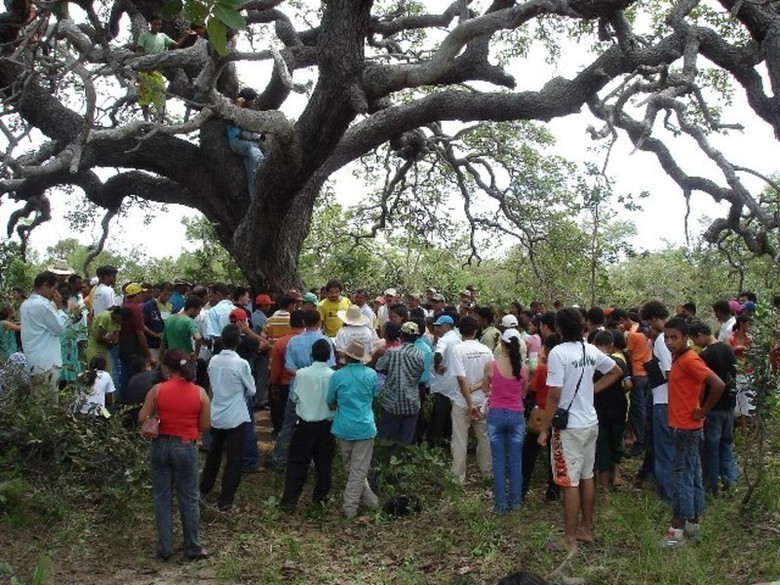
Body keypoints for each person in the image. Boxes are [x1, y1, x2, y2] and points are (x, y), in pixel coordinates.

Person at [536, 308, 621, 552]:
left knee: (569, 482)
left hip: (569, 428)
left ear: (559, 328)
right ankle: (586, 529)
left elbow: (554, 394)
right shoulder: (589, 348)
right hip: (589, 423)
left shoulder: (558, 354)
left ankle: (569, 538)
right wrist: (591, 391)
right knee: (586, 476)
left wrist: (544, 429)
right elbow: (616, 371)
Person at [138, 349, 210, 561]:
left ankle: (165, 548)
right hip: (186, 445)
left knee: (162, 498)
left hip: (160, 445)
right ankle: (193, 547)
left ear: (166, 367)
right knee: (189, 498)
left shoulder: (157, 390)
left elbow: (142, 417)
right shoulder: (199, 393)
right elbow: (205, 424)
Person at [661, 317, 725, 549]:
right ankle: (692, 523)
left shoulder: (689, 359)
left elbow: (717, 384)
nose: (669, 342)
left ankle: (676, 529)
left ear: (686, 338)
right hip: (681, 425)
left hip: (687, 428)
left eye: (674, 337)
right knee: (692, 475)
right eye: (666, 337)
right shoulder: (678, 358)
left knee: (681, 477)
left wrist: (703, 410)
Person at [201, 324, 256, 511]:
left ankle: (205, 487)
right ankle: (226, 498)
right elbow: (252, 389)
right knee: (234, 458)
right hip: (235, 415)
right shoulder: (241, 363)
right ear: (238, 342)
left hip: (217, 412)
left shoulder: (214, 361)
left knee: (214, 453)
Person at [279, 338, 336, 510]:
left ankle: (289, 501)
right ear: (329, 356)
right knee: (324, 465)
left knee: (297, 463)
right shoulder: (334, 376)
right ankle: (319, 500)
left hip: (305, 424)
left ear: (312, 355)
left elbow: (294, 397)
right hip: (327, 426)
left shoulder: (301, 374)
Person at [326, 340, 380, 518]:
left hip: (343, 426)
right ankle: (359, 505)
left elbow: (330, 401)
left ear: (347, 357)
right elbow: (373, 396)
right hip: (364, 426)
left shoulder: (338, 375)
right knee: (358, 469)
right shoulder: (371, 374)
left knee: (351, 468)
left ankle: (353, 506)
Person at [689, 320, 739, 495]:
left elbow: (703, 386)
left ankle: (711, 487)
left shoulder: (705, 356)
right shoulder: (728, 349)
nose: (695, 344)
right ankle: (731, 482)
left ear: (700, 335)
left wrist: (701, 408)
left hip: (714, 407)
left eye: (694, 340)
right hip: (729, 405)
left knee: (710, 448)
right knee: (726, 444)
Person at [482, 328, 529, 514]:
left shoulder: (491, 365)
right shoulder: (524, 369)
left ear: (502, 344)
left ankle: (500, 504)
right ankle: (516, 502)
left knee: (499, 460)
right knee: (516, 460)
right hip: (517, 416)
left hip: (496, 416)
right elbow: (524, 393)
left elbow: (485, 388)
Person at [450, 315, 494, 485]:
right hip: (483, 400)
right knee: (484, 437)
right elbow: (489, 377)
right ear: (476, 331)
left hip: (462, 402)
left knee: (460, 439)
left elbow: (461, 379)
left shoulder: (458, 350)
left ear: (460, 331)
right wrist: (475, 389)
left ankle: (458, 478)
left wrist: (469, 404)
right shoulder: (486, 350)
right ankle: (487, 473)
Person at [20, 271, 74, 401]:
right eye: (53, 288)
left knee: (38, 402)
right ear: (45, 285)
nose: (54, 293)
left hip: (33, 360)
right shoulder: (42, 305)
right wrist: (60, 307)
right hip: (46, 364)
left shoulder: (25, 304)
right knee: (49, 405)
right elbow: (60, 328)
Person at [591, 330, 631, 499]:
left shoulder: (592, 364)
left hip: (598, 411)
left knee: (602, 448)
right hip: (618, 409)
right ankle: (617, 473)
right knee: (616, 442)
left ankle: (605, 489)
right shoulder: (618, 362)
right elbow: (628, 384)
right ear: (611, 345)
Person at [136, 15, 197, 122]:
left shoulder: (163, 36)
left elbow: (176, 45)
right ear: (151, 24)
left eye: (159, 24)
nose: (157, 26)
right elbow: (139, 52)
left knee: (160, 96)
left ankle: (159, 121)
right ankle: (145, 120)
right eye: (155, 24)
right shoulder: (144, 35)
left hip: (157, 72)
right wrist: (145, 65)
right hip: (145, 72)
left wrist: (186, 35)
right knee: (144, 98)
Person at [375, 320, 425, 444]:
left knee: (387, 439)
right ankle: (404, 462)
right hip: (412, 402)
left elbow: (379, 367)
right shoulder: (421, 355)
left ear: (401, 335)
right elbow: (419, 376)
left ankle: (387, 461)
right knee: (406, 442)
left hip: (392, 402)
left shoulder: (392, 352)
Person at [227, 88, 266, 195]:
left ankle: (255, 195)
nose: (253, 102)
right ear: (245, 100)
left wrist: (258, 136)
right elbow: (240, 131)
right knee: (255, 155)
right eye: (252, 100)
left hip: (248, 142)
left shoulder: (247, 112)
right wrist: (256, 137)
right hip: (238, 142)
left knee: (251, 170)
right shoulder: (235, 110)